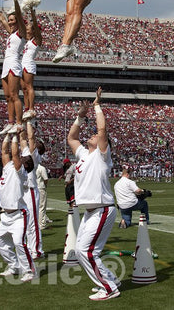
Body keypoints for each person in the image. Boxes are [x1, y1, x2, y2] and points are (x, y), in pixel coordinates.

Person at [67, 86, 120, 301]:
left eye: (96, 136)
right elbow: (71, 138)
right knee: (83, 251)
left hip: (102, 209)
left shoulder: (101, 155)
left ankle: (109, 288)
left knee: (86, 252)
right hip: (91, 211)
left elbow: (102, 131)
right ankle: (110, 280)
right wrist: (80, 117)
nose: (93, 136)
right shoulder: (83, 154)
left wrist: (97, 105)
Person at [0, 133, 37, 282]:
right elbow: (4, 151)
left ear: (26, 165)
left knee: (19, 242)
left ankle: (30, 271)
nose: (22, 158)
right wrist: (7, 136)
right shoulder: (8, 168)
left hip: (19, 215)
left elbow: (13, 153)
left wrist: (14, 136)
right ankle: (14, 266)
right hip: (6, 215)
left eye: (24, 159)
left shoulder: (21, 172)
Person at [0, 0, 26, 135]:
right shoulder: (11, 33)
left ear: (18, 21)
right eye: (10, 20)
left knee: (14, 95)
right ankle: (10, 122)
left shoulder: (21, 32)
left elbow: (18, 14)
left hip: (14, 62)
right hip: (6, 63)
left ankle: (19, 123)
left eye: (12, 20)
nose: (10, 22)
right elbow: (1, 19)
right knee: (7, 96)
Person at [20, 117, 45, 260]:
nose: (31, 143)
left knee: (33, 222)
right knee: (26, 221)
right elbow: (24, 139)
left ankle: (37, 250)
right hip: (24, 191)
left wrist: (28, 121)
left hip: (30, 190)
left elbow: (30, 137)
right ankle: (30, 247)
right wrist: (20, 127)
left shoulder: (34, 155)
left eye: (34, 144)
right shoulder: (26, 152)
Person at [21, 6, 42, 120]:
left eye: (29, 31)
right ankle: (26, 108)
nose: (27, 32)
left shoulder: (37, 40)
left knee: (29, 87)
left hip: (29, 63)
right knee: (24, 89)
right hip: (22, 64)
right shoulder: (27, 41)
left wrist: (32, 15)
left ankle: (32, 108)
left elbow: (36, 29)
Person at [36, 164, 51, 230]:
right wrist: (45, 185)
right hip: (41, 188)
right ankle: (42, 224)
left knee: (36, 207)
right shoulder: (41, 168)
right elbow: (46, 179)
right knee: (42, 207)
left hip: (34, 188)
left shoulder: (33, 167)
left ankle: (37, 223)